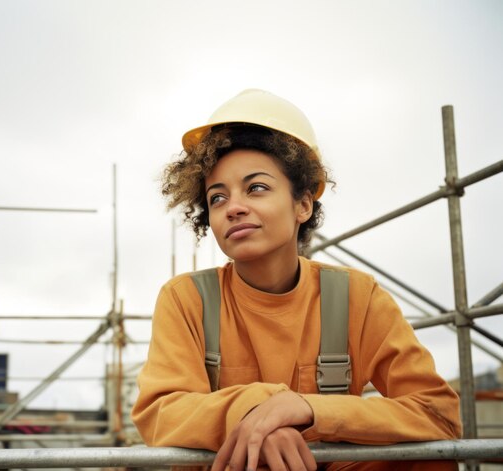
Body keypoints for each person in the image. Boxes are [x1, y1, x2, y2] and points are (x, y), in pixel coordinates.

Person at [131, 89, 462, 471]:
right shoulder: (186, 299)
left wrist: (307, 410)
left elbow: (437, 413)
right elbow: (161, 413)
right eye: (217, 198)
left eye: (256, 188)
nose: (234, 207)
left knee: (428, 462)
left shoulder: (357, 296)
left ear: (303, 204)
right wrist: (259, 413)